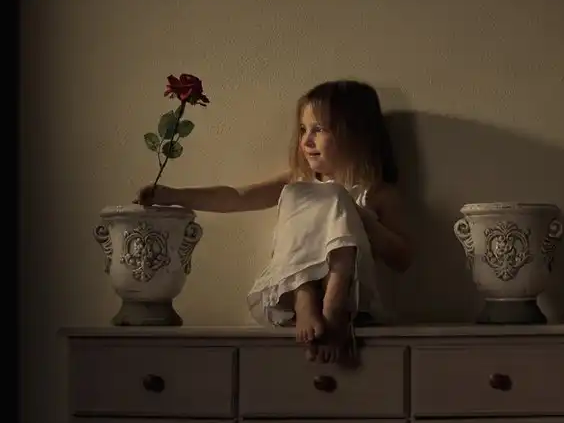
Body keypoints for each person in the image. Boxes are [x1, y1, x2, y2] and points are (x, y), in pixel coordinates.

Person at [135, 80, 413, 363]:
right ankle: (304, 295)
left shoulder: (378, 193)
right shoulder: (297, 182)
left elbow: (402, 259)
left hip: (353, 297)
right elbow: (238, 198)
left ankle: (333, 306)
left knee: (334, 196)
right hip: (293, 292)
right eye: (303, 129)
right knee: (297, 191)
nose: (306, 141)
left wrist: (358, 217)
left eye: (318, 129)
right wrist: (174, 196)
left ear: (355, 134)